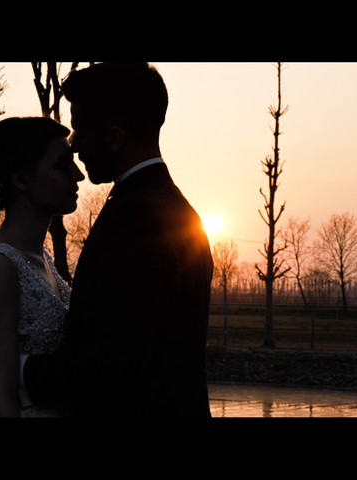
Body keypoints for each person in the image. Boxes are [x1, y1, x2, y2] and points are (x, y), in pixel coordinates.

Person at [21, 62, 215, 417]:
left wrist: (17, 368)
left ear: (114, 138)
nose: (74, 146)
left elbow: (111, 364)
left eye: (80, 131)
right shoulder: (182, 212)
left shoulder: (134, 218)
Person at [0, 116, 85, 417]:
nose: (78, 175)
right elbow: (1, 396)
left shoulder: (41, 257)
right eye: (62, 165)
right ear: (22, 179)